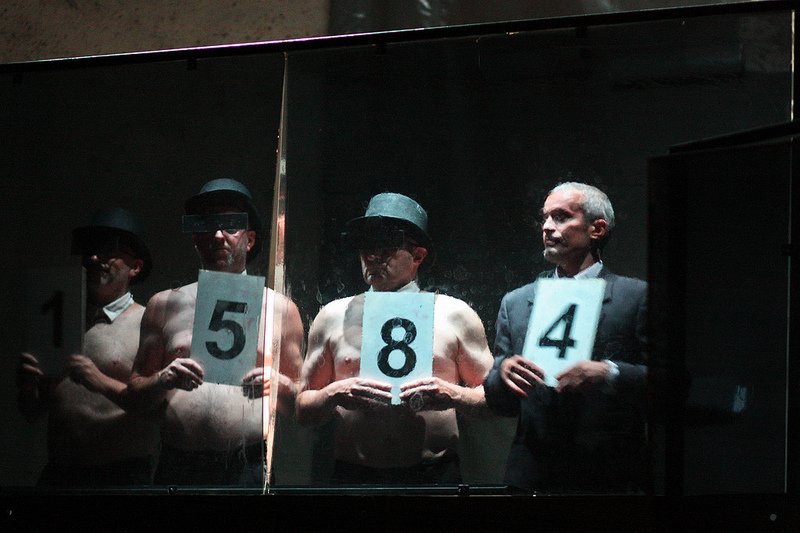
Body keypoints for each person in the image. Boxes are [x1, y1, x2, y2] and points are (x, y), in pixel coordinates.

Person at [296, 192, 493, 484]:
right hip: (354, 475)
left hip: (433, 475)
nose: (372, 256)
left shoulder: (454, 314)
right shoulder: (334, 315)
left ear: (418, 256)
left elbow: (492, 401)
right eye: (366, 245)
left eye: (387, 245)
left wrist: (454, 395)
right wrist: (333, 394)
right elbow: (302, 408)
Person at [121, 178, 303, 486]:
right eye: (209, 226)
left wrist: (278, 383)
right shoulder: (164, 304)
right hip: (179, 464)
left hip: (247, 465)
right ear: (196, 238)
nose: (219, 235)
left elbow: (301, 404)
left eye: (231, 226)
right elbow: (134, 395)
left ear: (249, 239)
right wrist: (163, 379)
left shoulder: (281, 309)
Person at [483, 182, 649, 493]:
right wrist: (503, 373)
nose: (547, 227)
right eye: (545, 218)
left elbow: (670, 384)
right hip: (532, 477)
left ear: (597, 229)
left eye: (561, 217)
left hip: (610, 478)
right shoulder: (516, 303)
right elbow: (499, 404)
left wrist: (610, 372)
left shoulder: (635, 297)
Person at [17, 207, 159, 487]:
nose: (94, 258)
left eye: (108, 251)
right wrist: (28, 388)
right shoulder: (59, 319)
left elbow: (160, 408)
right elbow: (32, 412)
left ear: (135, 267)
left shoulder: (147, 322)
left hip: (122, 479)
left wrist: (99, 380)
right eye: (89, 250)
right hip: (60, 477)